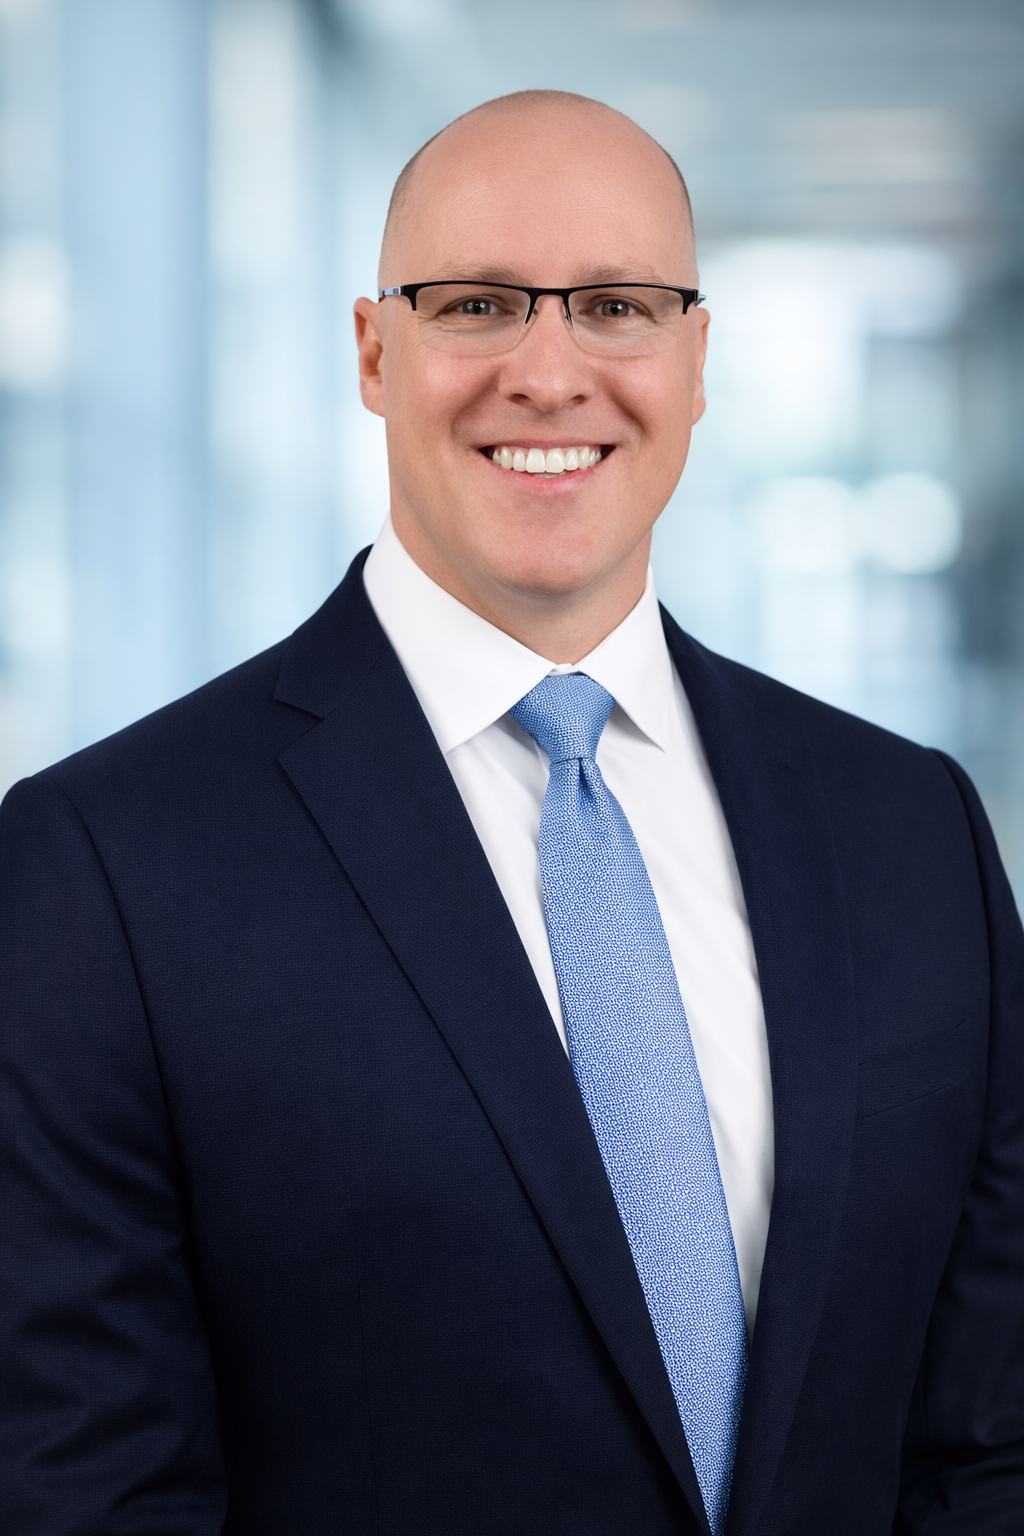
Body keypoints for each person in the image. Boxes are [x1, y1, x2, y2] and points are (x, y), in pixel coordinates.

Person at [1, 89, 1022, 1536]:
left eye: (617, 306)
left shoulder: (914, 833)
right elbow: (87, 1492)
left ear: (697, 356)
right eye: (477, 303)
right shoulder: (103, 868)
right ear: (372, 351)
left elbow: (989, 1441)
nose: (550, 374)